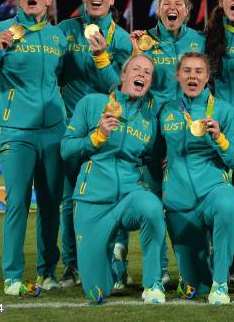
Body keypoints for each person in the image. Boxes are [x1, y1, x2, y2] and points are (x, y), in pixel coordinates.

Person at [0, 0, 66, 295]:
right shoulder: (0, 31)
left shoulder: (57, 37)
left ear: (48, 0)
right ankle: (13, 277)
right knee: (17, 203)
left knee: (52, 205)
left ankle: (48, 273)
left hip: (54, 133)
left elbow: (66, 79)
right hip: (16, 132)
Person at [60, 54, 167, 304]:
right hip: (93, 201)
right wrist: (97, 136)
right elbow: (66, 149)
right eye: (136, 69)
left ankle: (152, 285)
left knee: (152, 208)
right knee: (97, 292)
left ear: (150, 83)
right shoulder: (91, 104)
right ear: (123, 76)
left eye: (147, 73)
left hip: (130, 196)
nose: (141, 74)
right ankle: (108, 260)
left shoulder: (150, 122)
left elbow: (152, 159)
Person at [57, 0, 133, 288]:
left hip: (110, 127)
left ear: (113, 1)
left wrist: (103, 57)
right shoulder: (65, 29)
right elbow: (52, 71)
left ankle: (117, 265)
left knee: (115, 195)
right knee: (69, 200)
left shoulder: (123, 39)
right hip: (73, 125)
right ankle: (71, 266)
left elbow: (123, 87)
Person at [157, 52, 234, 305]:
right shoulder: (167, 111)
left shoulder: (224, 111)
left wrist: (220, 139)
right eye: (186, 70)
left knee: (228, 203)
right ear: (177, 75)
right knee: (196, 283)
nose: (192, 76)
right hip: (179, 202)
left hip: (213, 192)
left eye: (198, 71)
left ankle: (221, 283)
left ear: (207, 76)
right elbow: (152, 155)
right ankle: (206, 277)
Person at [131, 0, 206, 107]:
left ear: (186, 10)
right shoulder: (143, 40)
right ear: (158, 10)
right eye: (166, 4)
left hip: (187, 115)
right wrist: (135, 54)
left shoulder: (200, 40)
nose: (172, 7)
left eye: (178, 4)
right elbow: (132, 84)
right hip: (152, 115)